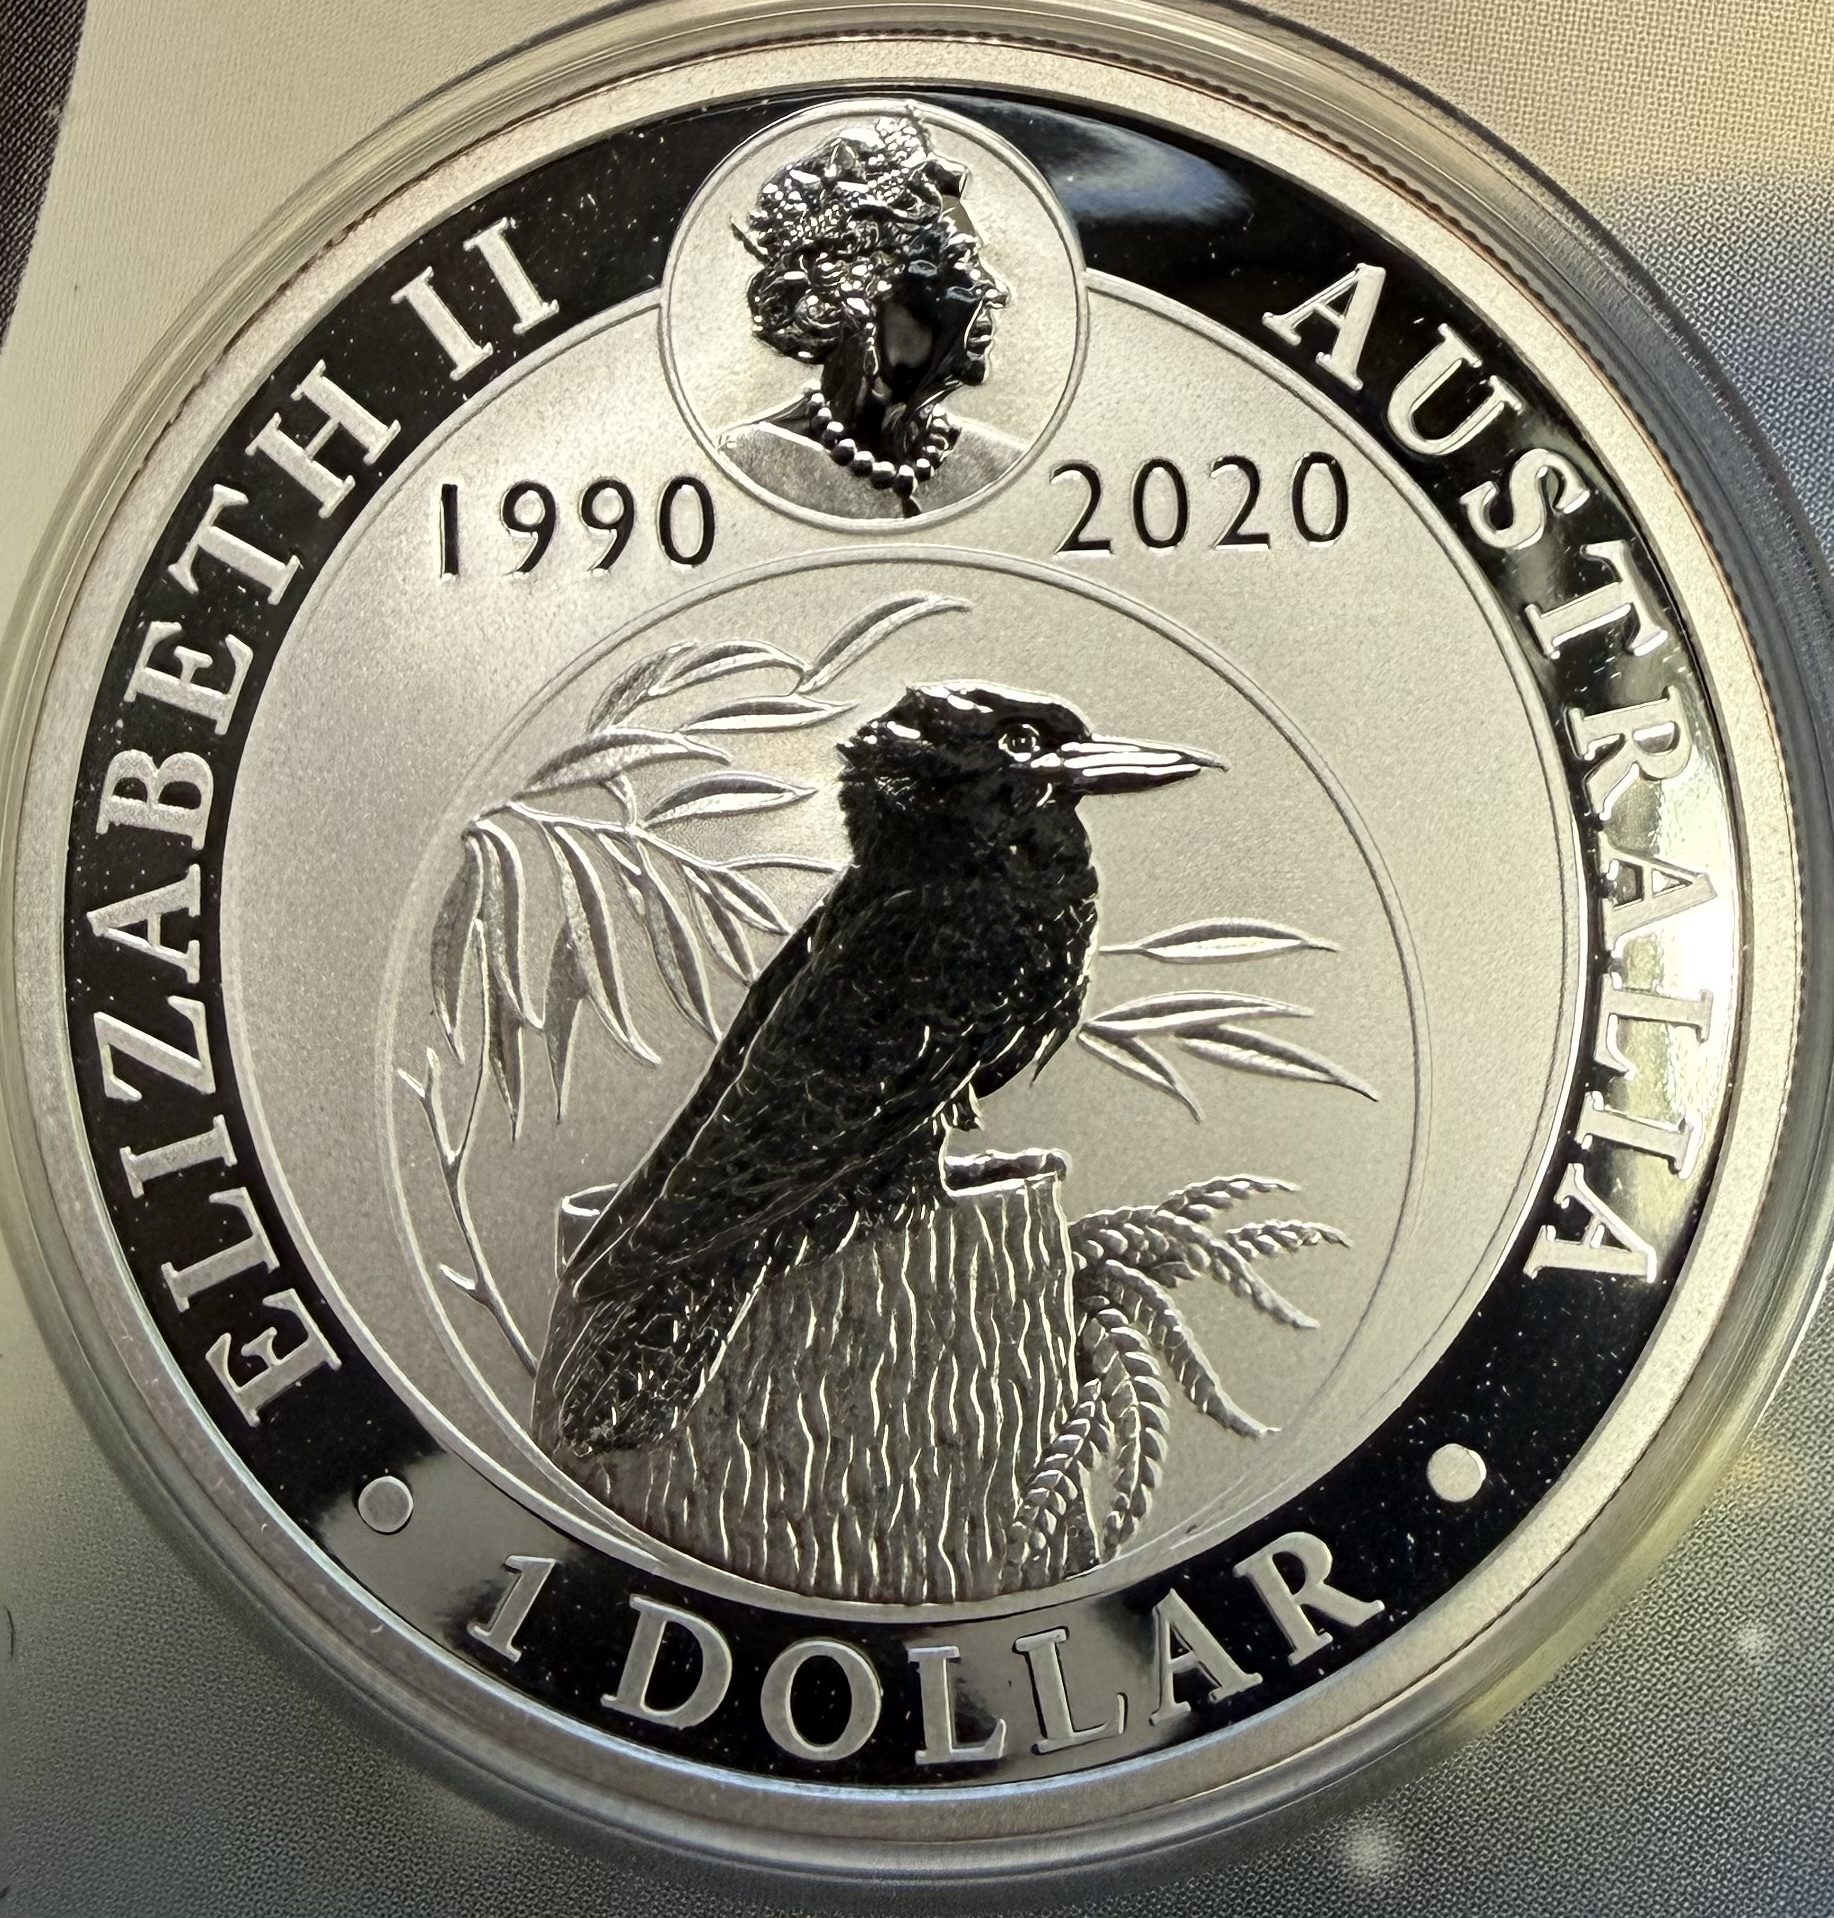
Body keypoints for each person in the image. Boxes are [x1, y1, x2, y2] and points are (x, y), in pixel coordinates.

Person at [721, 111, 1023, 520]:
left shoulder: (1001, 467)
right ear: (859, 289)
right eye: (958, 263)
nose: (994, 290)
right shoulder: (748, 467)